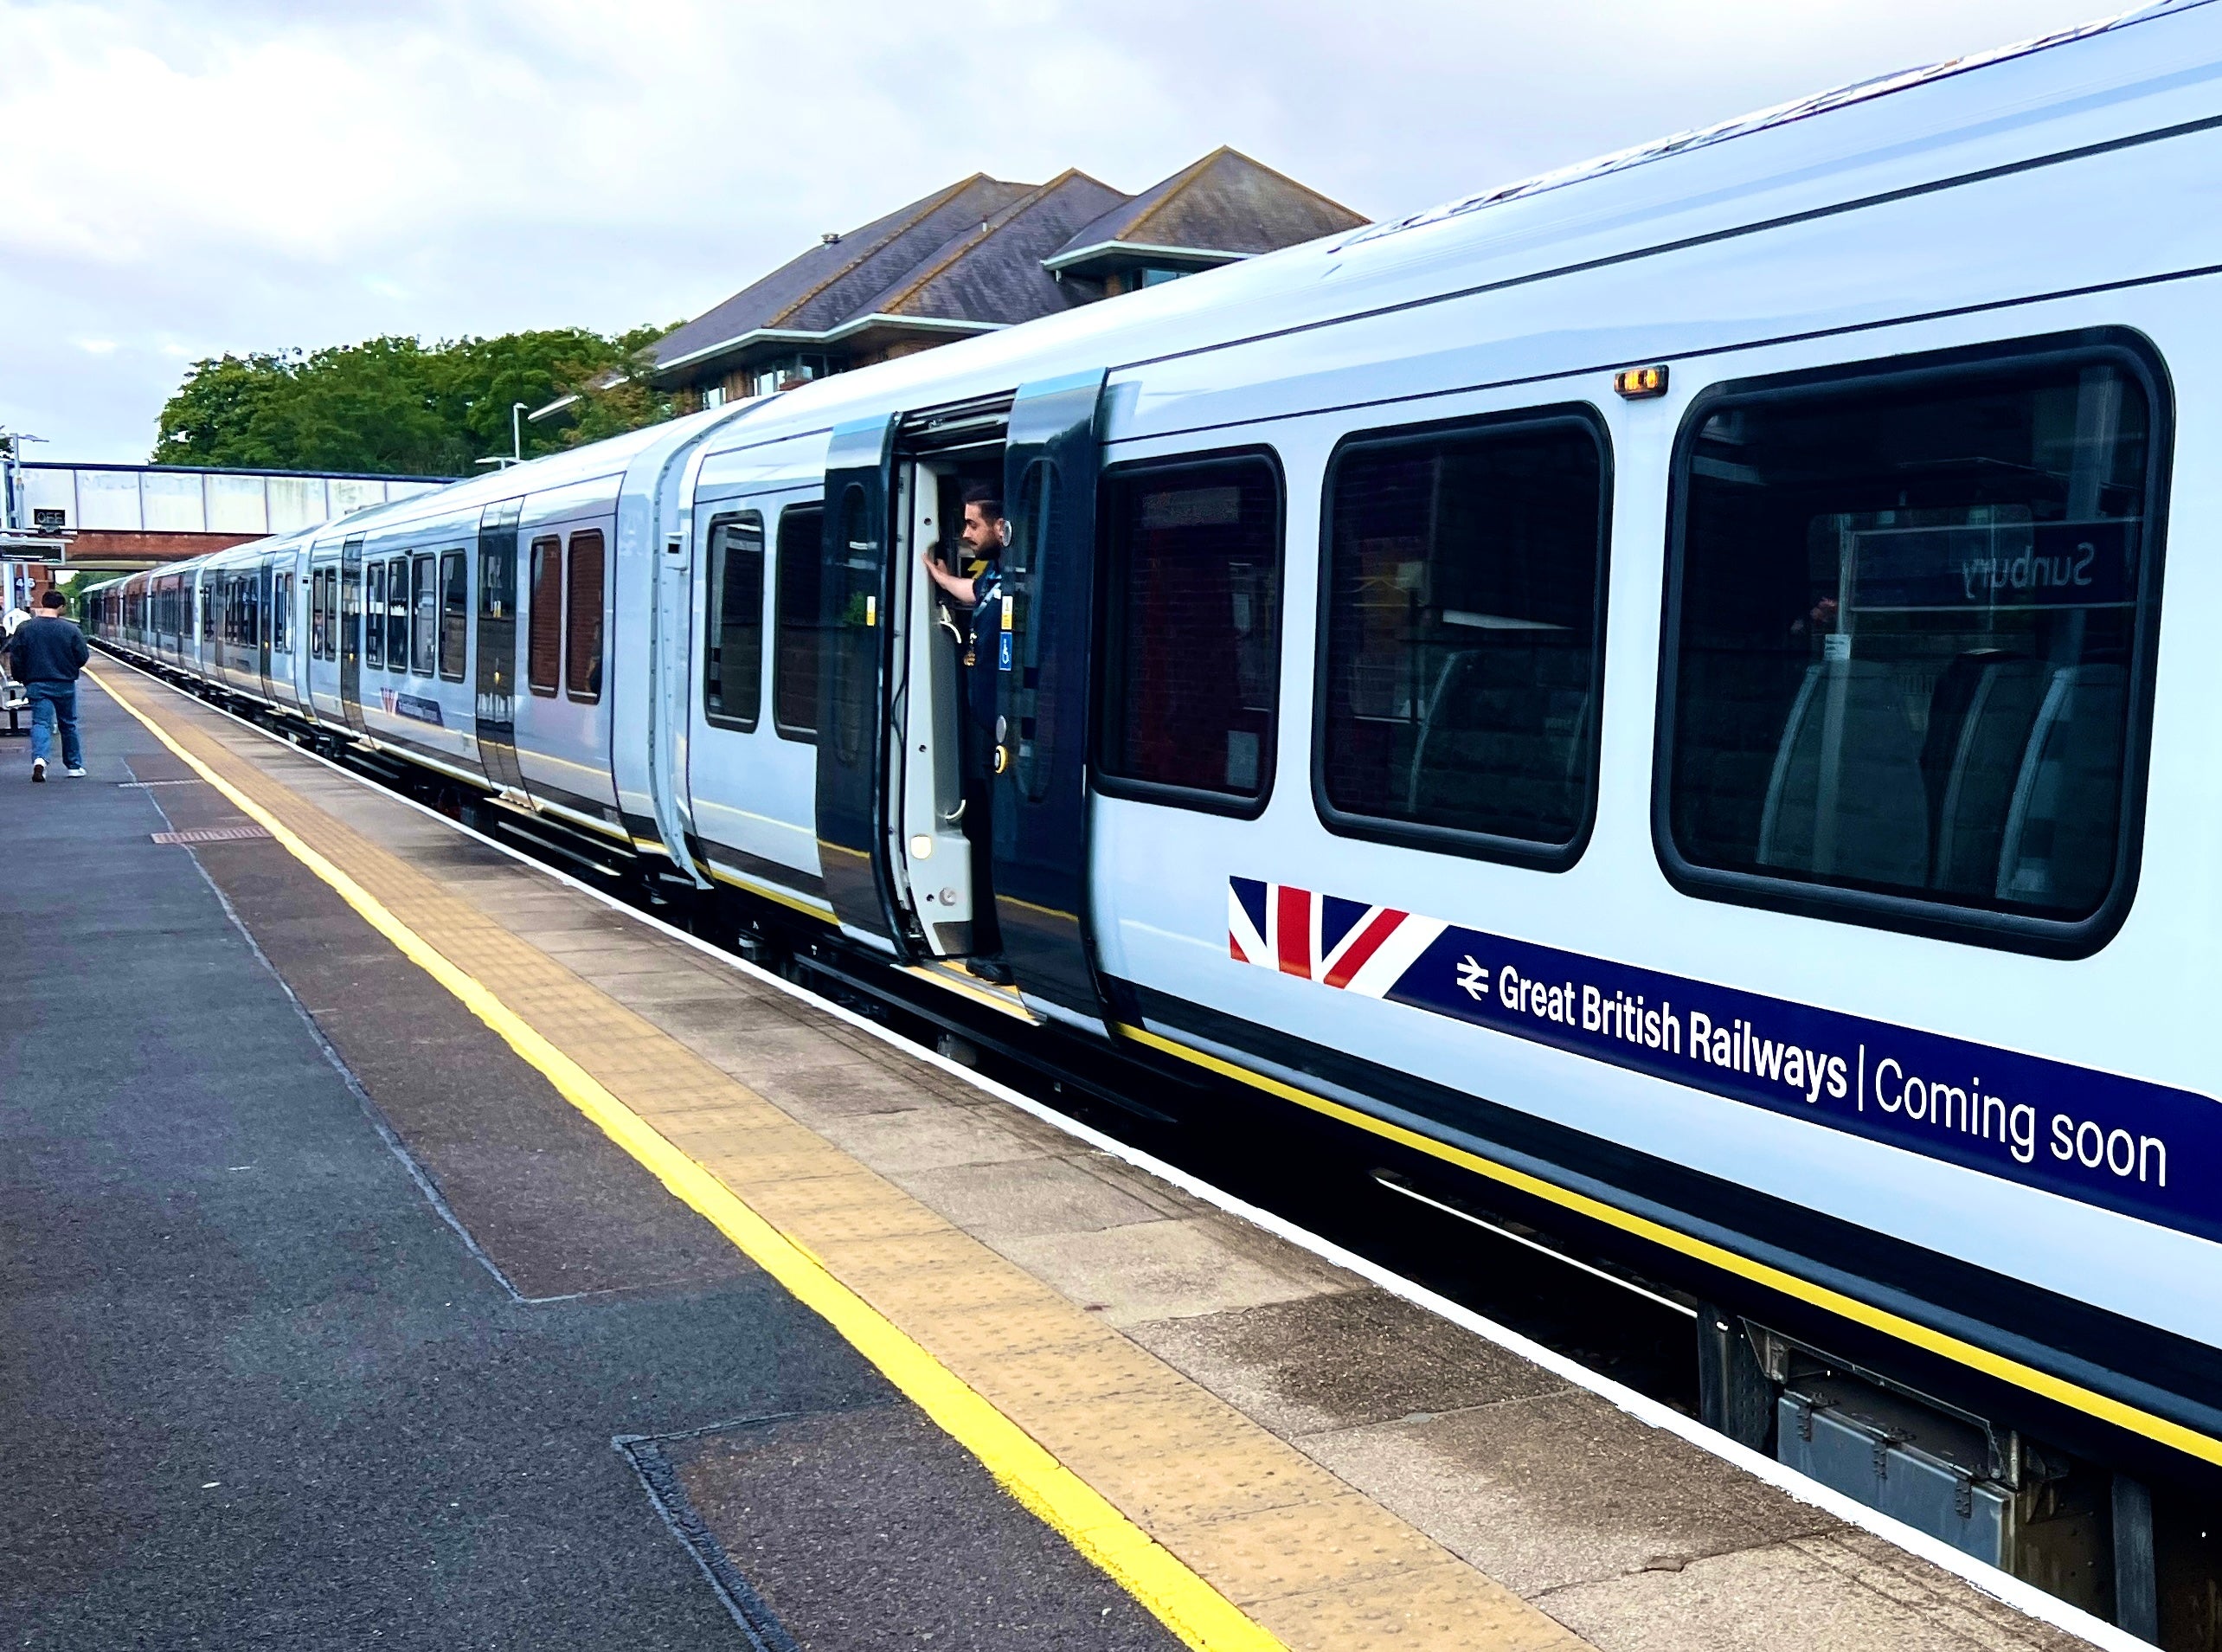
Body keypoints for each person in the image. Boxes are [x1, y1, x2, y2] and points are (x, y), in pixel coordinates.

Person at [918, 484, 1012, 980]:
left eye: (973, 524)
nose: (966, 533)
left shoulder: (1022, 577)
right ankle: (994, 940)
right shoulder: (997, 575)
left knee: (1005, 840)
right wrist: (938, 575)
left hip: (1013, 740)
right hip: (989, 735)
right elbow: (974, 592)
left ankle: (1006, 950)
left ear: (1001, 526)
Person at [5, 589, 90, 781]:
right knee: (68, 724)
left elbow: (16, 657)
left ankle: (40, 760)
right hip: (64, 684)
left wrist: (22, 678)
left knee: (41, 723)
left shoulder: (26, 628)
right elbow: (82, 657)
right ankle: (74, 766)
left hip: (36, 683)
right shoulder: (71, 630)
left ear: (43, 604)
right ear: (61, 607)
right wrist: (69, 669)